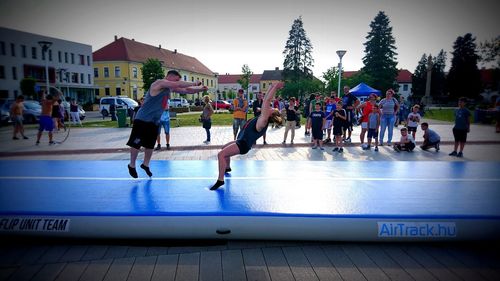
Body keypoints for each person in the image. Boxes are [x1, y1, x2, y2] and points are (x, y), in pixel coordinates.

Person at [127, 70, 207, 178]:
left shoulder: (169, 87)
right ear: (170, 77)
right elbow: (178, 84)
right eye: (177, 79)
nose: (178, 81)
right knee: (136, 143)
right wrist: (194, 83)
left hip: (154, 121)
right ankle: (132, 165)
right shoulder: (159, 83)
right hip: (142, 119)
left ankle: (145, 165)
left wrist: (200, 89)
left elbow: (187, 90)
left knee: (150, 145)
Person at [210, 82, 284, 190]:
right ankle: (227, 167)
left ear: (272, 114)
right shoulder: (263, 117)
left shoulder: (263, 120)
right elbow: (265, 100)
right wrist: (271, 87)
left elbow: (267, 101)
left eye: (273, 109)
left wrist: (275, 87)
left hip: (243, 144)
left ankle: (220, 180)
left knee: (221, 155)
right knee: (224, 149)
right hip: (241, 140)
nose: (271, 107)